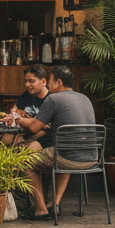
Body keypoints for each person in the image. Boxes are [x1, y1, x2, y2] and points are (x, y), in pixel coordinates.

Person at [20, 65, 97, 219]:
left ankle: (41, 209)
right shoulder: (85, 98)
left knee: (24, 160)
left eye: (50, 81)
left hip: (66, 157)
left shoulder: (53, 99)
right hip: (92, 158)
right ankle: (53, 205)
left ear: (59, 82)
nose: (48, 85)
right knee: (61, 153)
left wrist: (19, 120)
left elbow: (34, 127)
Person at [2, 64, 51, 147]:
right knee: (6, 139)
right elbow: (14, 113)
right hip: (26, 132)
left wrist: (26, 119)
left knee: (30, 146)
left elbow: (45, 127)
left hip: (45, 137)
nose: (27, 85)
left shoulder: (51, 99)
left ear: (43, 81)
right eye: (26, 81)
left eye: (31, 81)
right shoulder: (26, 95)